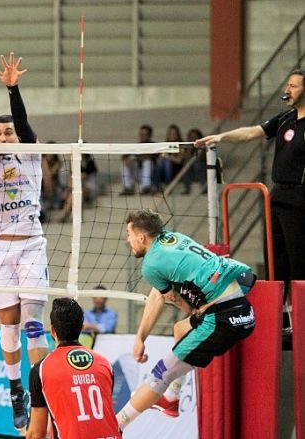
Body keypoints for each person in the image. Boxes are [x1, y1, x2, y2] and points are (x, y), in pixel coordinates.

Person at [117, 209, 256, 431]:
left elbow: (171, 298)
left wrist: (194, 310)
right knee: (180, 329)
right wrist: (140, 336)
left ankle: (115, 427)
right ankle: (172, 398)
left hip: (223, 318)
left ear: (141, 237)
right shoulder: (172, 239)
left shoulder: (150, 265)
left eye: (129, 233)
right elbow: (157, 295)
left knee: (161, 373)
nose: (128, 239)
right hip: (242, 304)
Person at [0, 52, 49, 431]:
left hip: (31, 243)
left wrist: (11, 89)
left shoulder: (29, 154)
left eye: (7, 132)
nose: (2, 136)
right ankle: (15, 388)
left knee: (33, 322)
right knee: (9, 323)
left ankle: (41, 390)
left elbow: (25, 125)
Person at [195, 69, 305, 290]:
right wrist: (221, 137)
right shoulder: (285, 118)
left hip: (300, 197)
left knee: (299, 262)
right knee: (275, 260)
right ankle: (280, 319)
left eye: (293, 86)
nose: (286, 90)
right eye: (287, 85)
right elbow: (251, 132)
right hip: (276, 195)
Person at [27, 298, 121, 439]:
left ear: (53, 330)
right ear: (82, 327)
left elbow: (36, 433)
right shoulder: (105, 364)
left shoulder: (40, 370)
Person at [121, 124, 157, 195]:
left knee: (147, 162)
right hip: (137, 172)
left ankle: (146, 187)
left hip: (151, 173)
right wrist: (129, 159)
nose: (142, 136)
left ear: (149, 135)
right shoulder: (136, 146)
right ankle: (127, 187)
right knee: (125, 162)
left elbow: (149, 157)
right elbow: (124, 157)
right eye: (141, 134)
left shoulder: (154, 145)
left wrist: (135, 158)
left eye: (144, 134)